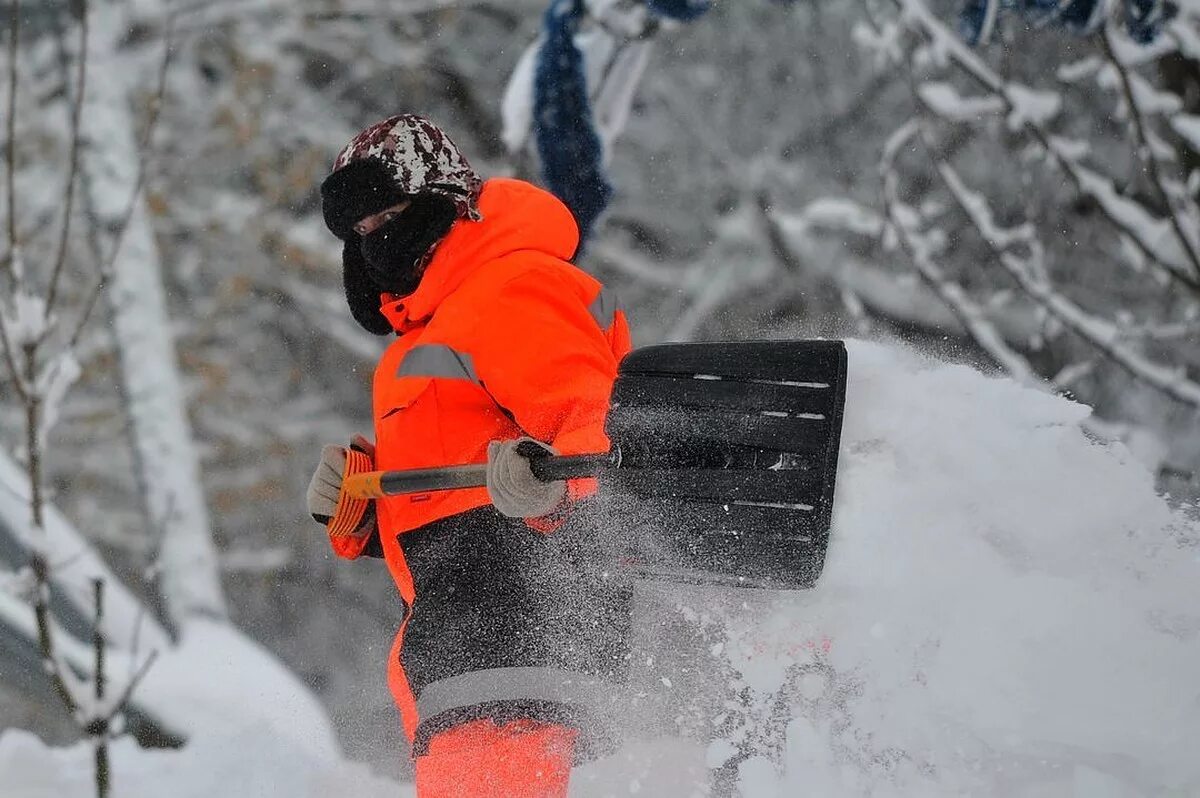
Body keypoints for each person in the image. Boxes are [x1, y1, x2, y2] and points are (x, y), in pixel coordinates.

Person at [305, 114, 633, 798]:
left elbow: (605, 447)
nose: (373, 242)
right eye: (357, 232)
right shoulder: (427, 335)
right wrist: (367, 508)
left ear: (438, 202)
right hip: (468, 652)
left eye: (386, 215)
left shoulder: (510, 288)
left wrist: (553, 493)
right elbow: (457, 501)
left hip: (529, 645)